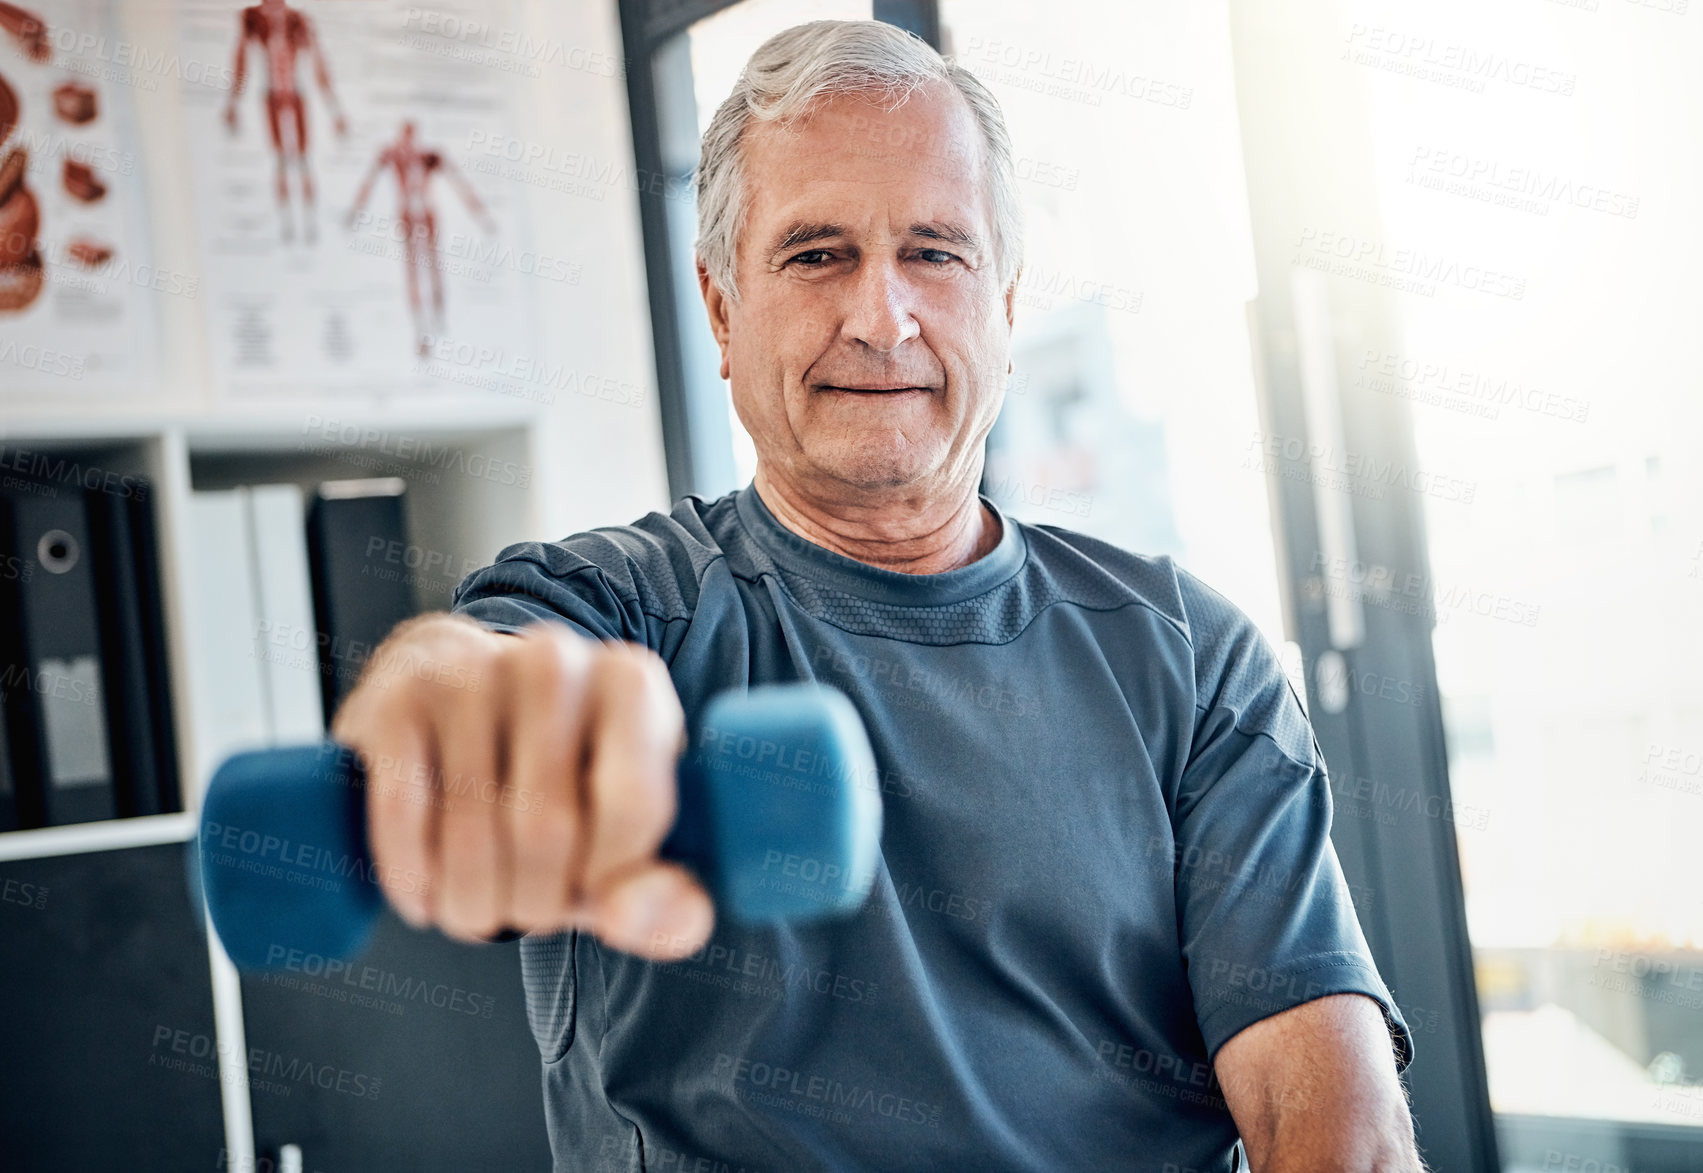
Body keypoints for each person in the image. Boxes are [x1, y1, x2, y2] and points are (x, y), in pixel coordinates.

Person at [333, 20, 1425, 1173]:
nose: (879, 316)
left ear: (1003, 307)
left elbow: (1328, 1118)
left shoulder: (1189, 659)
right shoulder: (617, 608)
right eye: (815, 255)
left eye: (934, 253)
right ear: (718, 307)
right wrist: (454, 700)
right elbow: (485, 660)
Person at [346, 119, 497, 356]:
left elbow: (460, 184)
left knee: (434, 266)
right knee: (414, 270)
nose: (407, 139)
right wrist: (356, 211)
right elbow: (370, 181)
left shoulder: (428, 156)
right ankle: (420, 329)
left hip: (426, 214)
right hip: (407, 214)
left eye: (411, 135)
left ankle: (438, 318)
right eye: (404, 134)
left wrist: (481, 216)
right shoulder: (391, 154)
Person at [223, 0, 346, 243]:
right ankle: (288, 226)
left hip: (295, 91)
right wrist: (233, 102)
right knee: (281, 161)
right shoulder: (252, 17)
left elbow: (318, 61)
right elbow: (242, 59)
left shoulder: (298, 19)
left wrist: (334, 109)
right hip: (271, 93)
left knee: (302, 161)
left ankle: (309, 225)